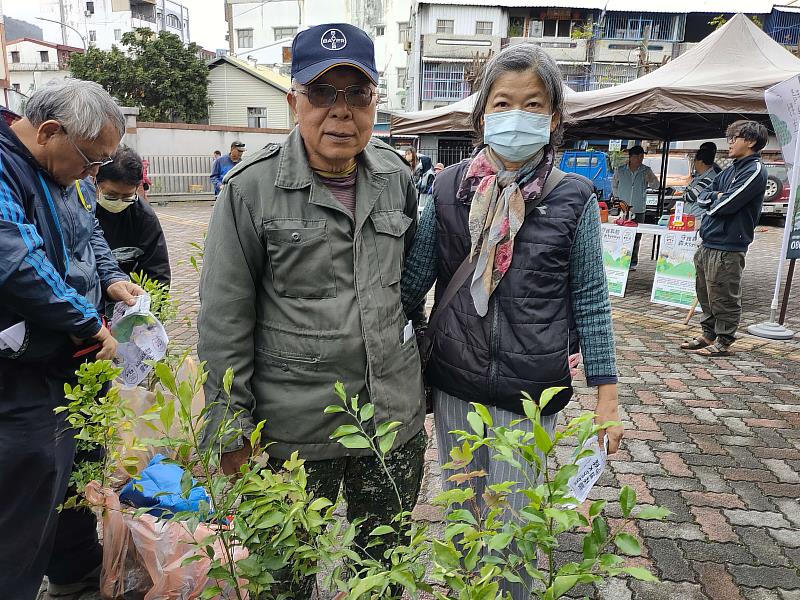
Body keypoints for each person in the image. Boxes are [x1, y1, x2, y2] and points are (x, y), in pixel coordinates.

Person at [197, 22, 426, 594]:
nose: (341, 113)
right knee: (287, 578)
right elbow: (224, 317)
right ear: (294, 100)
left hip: (389, 422)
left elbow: (409, 288)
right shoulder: (249, 190)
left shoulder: (399, 178)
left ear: (376, 102)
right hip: (294, 431)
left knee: (382, 572)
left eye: (357, 94)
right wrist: (228, 427)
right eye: (323, 94)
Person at [401, 44, 622, 599]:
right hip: (455, 387)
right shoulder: (448, 189)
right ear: (482, 115)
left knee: (515, 531)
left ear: (553, 118)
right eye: (503, 103)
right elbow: (411, 286)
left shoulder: (574, 199)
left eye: (533, 104)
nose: (517, 115)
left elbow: (591, 300)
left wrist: (607, 400)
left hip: (531, 394)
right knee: (462, 515)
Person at [0, 79, 144, 599]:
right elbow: (17, 262)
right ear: (50, 131)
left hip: (70, 362)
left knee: (76, 471)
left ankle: (74, 574)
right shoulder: (5, 170)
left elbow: (92, 233)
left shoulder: (70, 176)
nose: (95, 172)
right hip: (20, 370)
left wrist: (109, 278)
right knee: (27, 489)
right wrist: (88, 321)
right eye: (91, 159)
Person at [682, 120, 768, 356]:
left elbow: (727, 205)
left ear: (750, 141)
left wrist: (716, 199)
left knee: (724, 294)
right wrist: (715, 197)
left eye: (735, 138)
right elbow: (701, 196)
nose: (729, 143)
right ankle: (708, 334)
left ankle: (725, 339)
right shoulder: (731, 169)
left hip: (729, 244)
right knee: (705, 292)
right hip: (708, 240)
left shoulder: (755, 170)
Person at [73, 145, 171, 286]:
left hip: (127, 294)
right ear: (95, 182)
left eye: (127, 197)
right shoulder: (81, 209)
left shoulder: (143, 216)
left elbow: (157, 271)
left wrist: (148, 304)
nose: (119, 201)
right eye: (111, 196)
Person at [612, 145, 660, 270]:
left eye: (642, 157)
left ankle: (632, 262)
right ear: (630, 157)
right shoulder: (620, 170)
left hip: (639, 208)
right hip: (624, 209)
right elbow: (614, 185)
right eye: (637, 157)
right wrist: (617, 199)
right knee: (622, 235)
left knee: (637, 237)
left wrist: (651, 179)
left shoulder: (646, 170)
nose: (640, 159)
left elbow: (656, 186)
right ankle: (620, 258)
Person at [682, 143, 718, 221]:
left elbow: (689, 197)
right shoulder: (700, 176)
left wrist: (686, 193)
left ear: (700, 161)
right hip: (691, 218)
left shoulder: (710, 178)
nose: (694, 163)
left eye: (694, 160)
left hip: (698, 220)